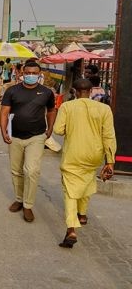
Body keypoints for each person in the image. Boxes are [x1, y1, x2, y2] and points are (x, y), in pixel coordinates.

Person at [53, 79, 116, 248]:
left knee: (70, 191)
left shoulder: (67, 107)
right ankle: (82, 214)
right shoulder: (104, 109)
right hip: (94, 154)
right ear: (91, 91)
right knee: (87, 181)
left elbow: (58, 129)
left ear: (74, 91)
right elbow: (109, 136)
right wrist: (110, 162)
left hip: (74, 154)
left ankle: (71, 228)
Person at [0, 59, 57, 222]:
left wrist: (50, 127)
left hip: (37, 137)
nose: (30, 76)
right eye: (27, 73)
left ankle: (28, 205)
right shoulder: (12, 91)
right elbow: (4, 112)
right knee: (16, 170)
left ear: (39, 75)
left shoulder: (46, 92)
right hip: (15, 137)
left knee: (31, 171)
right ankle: (18, 199)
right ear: (22, 74)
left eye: (34, 73)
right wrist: (4, 130)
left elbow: (51, 110)